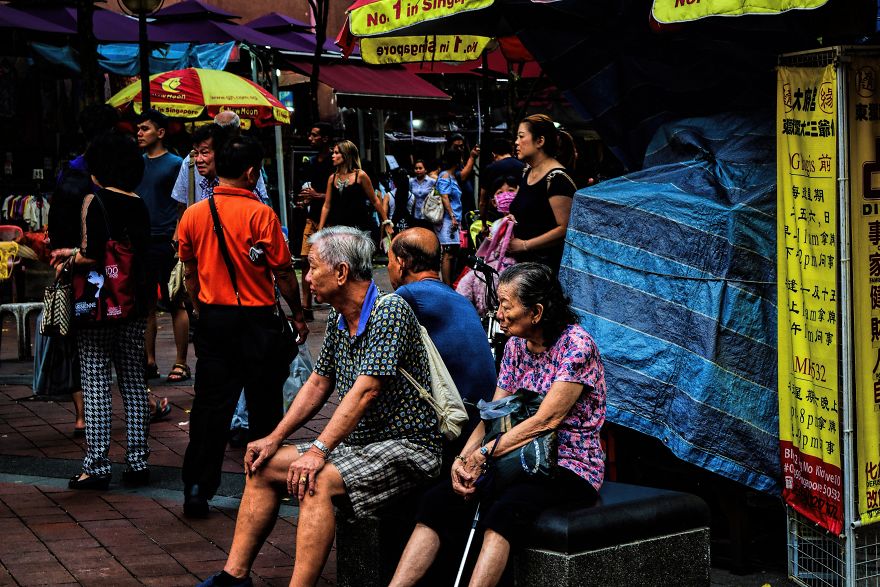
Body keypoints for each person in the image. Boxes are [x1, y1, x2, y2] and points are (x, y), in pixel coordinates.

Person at [197, 226, 442, 587]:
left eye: (312, 267)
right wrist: (274, 437)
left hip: (408, 447)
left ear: (341, 272)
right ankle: (233, 578)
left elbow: (366, 391)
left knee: (316, 478)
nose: (307, 278)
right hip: (359, 445)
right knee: (262, 464)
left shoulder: (390, 310)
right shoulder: (340, 318)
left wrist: (318, 450)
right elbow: (318, 382)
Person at [390, 262, 606, 587]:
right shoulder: (517, 345)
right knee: (439, 499)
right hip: (513, 456)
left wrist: (484, 455)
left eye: (506, 305)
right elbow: (493, 413)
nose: (499, 313)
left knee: (506, 511)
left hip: (568, 464)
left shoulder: (576, 346)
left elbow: (546, 421)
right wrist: (463, 461)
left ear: (536, 311)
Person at [177, 135, 308, 518]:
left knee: (209, 407)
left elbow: (188, 272)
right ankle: (265, 481)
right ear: (252, 172)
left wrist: (199, 308)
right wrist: (297, 313)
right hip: (257, 321)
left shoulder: (194, 215)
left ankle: (198, 487)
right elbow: (283, 272)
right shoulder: (262, 215)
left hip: (214, 320)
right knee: (264, 404)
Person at [51, 132, 152, 490]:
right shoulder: (138, 202)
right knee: (133, 381)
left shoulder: (95, 201)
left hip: (97, 304)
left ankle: (96, 465)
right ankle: (138, 461)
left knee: (95, 380)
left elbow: (92, 253)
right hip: (133, 301)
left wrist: (67, 260)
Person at [388, 228, 497, 457]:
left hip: (456, 425)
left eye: (388, 261)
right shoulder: (456, 296)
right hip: (482, 418)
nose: (388, 268)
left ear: (400, 263)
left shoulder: (406, 296)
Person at [43, 104, 118, 437]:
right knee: (115, 334)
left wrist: (62, 259)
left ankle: (82, 414)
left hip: (71, 264)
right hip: (107, 265)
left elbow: (55, 222)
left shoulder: (68, 172)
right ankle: (134, 402)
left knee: (75, 338)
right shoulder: (114, 170)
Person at [135, 109, 189, 394]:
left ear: (161, 132)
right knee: (145, 306)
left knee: (175, 301)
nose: (140, 133)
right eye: (139, 128)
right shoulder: (136, 163)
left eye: (145, 128)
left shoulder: (176, 164)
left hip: (166, 240)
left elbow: (183, 203)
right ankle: (149, 360)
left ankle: (181, 362)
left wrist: (176, 234)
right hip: (141, 241)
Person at [508, 113, 578, 274]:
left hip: (545, 269)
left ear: (540, 141)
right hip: (524, 267)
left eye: (521, 136)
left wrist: (525, 245)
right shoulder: (527, 172)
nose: (516, 142)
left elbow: (564, 228)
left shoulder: (557, 179)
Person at [170, 111, 269, 207]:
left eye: (204, 152)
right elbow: (181, 203)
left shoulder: (245, 159)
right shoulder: (191, 162)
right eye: (197, 153)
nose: (199, 160)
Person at [317, 140, 394, 243]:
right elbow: (327, 205)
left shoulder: (360, 175)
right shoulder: (332, 178)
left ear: (346, 155)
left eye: (336, 153)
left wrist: (386, 222)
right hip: (339, 227)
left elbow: (375, 200)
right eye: (333, 153)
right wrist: (320, 229)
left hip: (359, 227)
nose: (332, 156)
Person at [297, 122, 335, 318]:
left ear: (325, 139)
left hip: (330, 220)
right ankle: (306, 305)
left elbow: (335, 195)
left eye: (314, 135)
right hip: (312, 218)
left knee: (332, 261)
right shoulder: (311, 163)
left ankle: (334, 299)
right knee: (305, 260)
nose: (310, 139)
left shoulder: (334, 162)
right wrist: (305, 200)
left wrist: (316, 195)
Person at [480, 137, 524, 224]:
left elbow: (483, 201)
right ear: (511, 152)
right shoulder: (523, 167)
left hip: (496, 217)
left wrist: (484, 224)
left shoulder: (490, 169)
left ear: (494, 155)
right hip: (520, 217)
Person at [436, 150, 464, 284]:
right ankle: (446, 284)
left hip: (454, 218)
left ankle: (449, 282)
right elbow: (444, 197)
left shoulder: (452, 176)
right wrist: (452, 216)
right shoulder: (445, 175)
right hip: (447, 219)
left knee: (452, 252)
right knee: (448, 252)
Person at [408, 159, 436, 229]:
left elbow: (436, 197)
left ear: (425, 170)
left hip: (428, 215)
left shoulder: (432, 182)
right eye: (416, 168)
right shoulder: (411, 181)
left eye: (420, 168)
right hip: (415, 215)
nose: (418, 170)